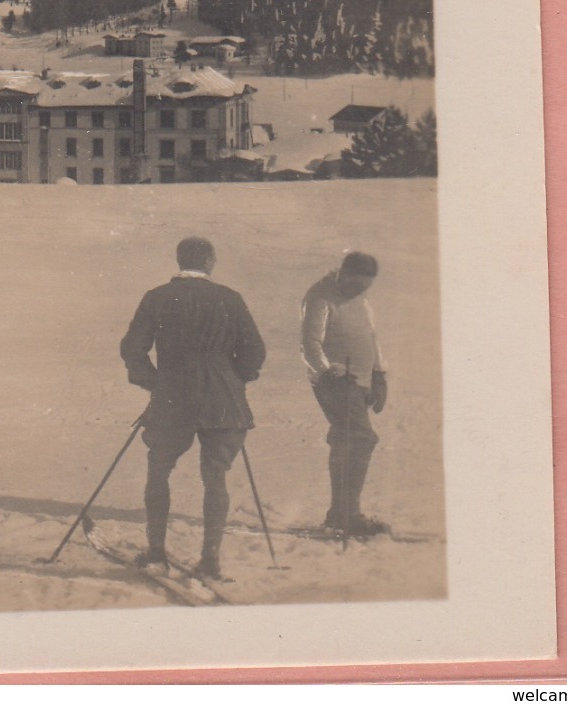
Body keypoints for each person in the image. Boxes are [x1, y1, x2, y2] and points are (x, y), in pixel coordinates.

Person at [119, 236, 266, 579]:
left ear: (178, 259)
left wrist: (153, 382)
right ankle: (210, 559)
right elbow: (254, 350)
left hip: (173, 394)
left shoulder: (156, 297)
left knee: (159, 468)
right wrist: (234, 379)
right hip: (224, 398)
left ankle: (156, 553)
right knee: (216, 476)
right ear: (211, 262)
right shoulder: (230, 298)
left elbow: (132, 348)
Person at [301, 251, 388, 536]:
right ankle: (348, 515)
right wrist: (329, 373)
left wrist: (378, 374)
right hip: (335, 381)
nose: (360, 291)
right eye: (357, 284)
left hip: (360, 381)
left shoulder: (360, 299)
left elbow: (370, 337)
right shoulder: (319, 296)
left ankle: (339, 514)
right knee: (361, 439)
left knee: (344, 440)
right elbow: (310, 345)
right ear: (344, 273)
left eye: (366, 287)